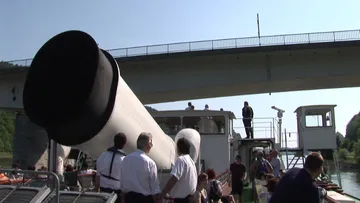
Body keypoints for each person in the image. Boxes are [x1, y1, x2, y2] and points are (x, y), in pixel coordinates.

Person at [121, 132, 161, 203]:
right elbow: (154, 187)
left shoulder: (126, 159)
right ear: (145, 145)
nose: (152, 145)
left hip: (129, 198)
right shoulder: (150, 163)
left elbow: (123, 181)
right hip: (145, 199)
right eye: (150, 142)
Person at [162, 138, 197, 203]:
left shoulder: (181, 160)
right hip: (191, 198)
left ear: (178, 148)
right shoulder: (191, 161)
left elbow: (174, 178)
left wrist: (163, 193)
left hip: (182, 200)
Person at [95, 133, 127, 203]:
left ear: (114, 141)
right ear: (124, 144)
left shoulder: (103, 156)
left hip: (103, 189)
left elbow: (98, 176)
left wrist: (96, 191)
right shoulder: (125, 160)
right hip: (117, 191)